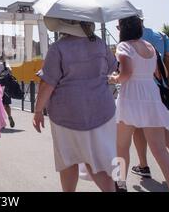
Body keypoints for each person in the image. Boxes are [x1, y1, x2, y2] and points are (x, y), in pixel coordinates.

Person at [33, 17, 117, 192]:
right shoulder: (100, 43)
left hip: (67, 114)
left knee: (68, 159)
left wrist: (38, 110)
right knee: (97, 162)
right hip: (102, 110)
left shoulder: (58, 48)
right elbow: (111, 67)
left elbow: (47, 83)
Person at [110, 15, 169, 192]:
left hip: (130, 97)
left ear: (123, 29)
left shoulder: (123, 46)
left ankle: (119, 185)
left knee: (121, 146)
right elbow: (159, 72)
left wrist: (114, 78)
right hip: (151, 96)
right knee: (160, 151)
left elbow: (126, 74)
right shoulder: (149, 46)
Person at [130, 18, 169, 184]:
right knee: (157, 126)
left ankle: (147, 165)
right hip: (162, 89)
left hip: (141, 90)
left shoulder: (130, 39)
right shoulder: (160, 35)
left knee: (140, 127)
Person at [0, 56, 15, 128]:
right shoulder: (5, 64)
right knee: (6, 104)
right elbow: (10, 72)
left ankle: (1, 122)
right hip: (5, 86)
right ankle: (9, 116)